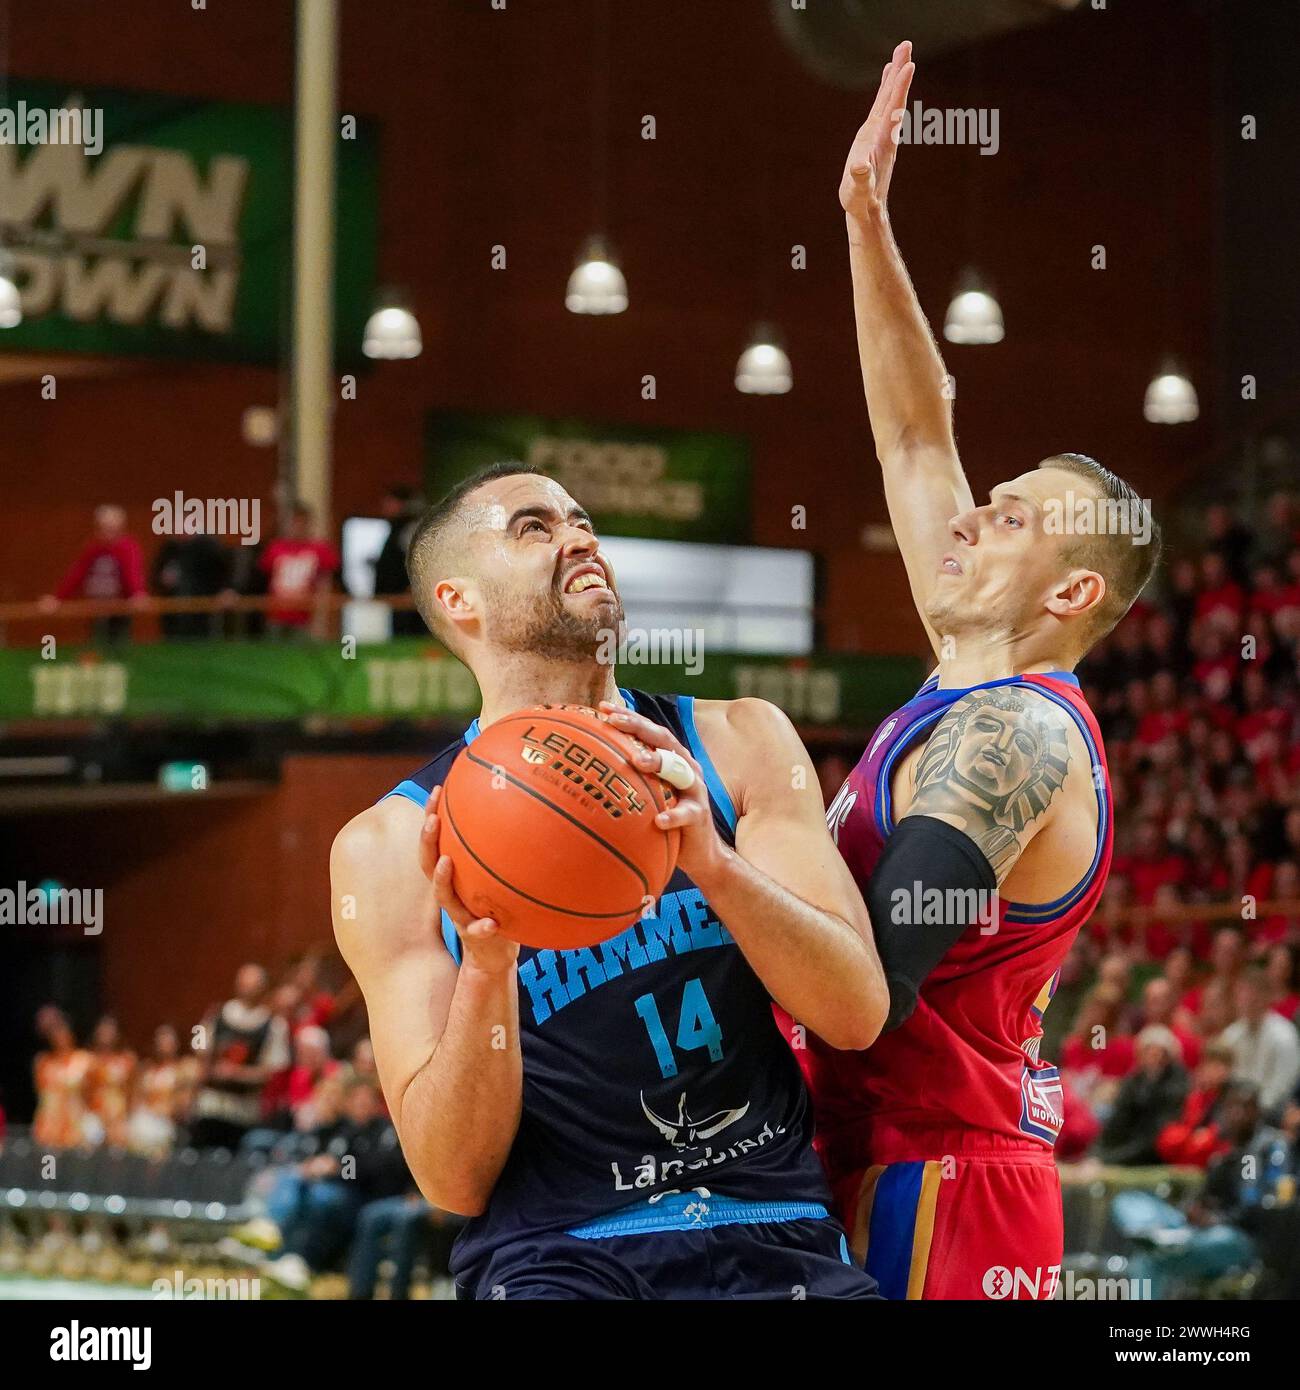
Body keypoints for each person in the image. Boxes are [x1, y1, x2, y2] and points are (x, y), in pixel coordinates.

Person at [331, 463, 890, 1300]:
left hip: (772, 1231)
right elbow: (453, 1180)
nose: (579, 538)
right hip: (560, 1256)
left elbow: (855, 1013)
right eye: (534, 527)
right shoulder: (388, 846)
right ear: (458, 600)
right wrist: (487, 967)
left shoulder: (739, 742)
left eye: (581, 520)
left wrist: (712, 863)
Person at [789, 41, 1159, 1299]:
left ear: (1069, 594)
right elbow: (912, 429)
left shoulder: (1018, 736)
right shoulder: (961, 671)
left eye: (1008, 516)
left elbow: (870, 988)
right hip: (879, 1152)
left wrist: (706, 867)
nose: (966, 516)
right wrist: (864, 217)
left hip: (941, 1179)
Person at [190, 964, 292, 1150]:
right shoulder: (216, 1014)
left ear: (263, 987)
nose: (249, 988)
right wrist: (208, 1067)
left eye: (254, 984)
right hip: (210, 1104)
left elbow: (273, 1071)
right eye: (245, 983)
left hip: (244, 1111)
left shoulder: (274, 1025)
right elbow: (199, 1046)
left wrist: (237, 1073)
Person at [40, 504, 147, 644]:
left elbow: (132, 571)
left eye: (112, 529)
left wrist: (137, 593)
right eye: (103, 528)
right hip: (96, 604)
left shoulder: (128, 547)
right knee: (96, 641)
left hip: (119, 605)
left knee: (116, 641)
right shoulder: (93, 548)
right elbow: (77, 573)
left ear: (121, 528)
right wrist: (57, 598)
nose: (107, 534)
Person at [1097, 1026, 1188, 1166]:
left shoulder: (1176, 1085)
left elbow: (1157, 1132)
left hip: (1154, 1148)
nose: (1153, 1057)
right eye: (1149, 1051)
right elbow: (1118, 1119)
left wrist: (1114, 1158)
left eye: (1159, 1053)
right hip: (1130, 1140)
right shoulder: (1134, 1081)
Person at [1221, 967, 1300, 1118]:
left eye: (1251, 997)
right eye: (1241, 996)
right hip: (1235, 1111)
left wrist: (1251, 1111)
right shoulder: (1232, 1034)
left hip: (1271, 1113)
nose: (1245, 1002)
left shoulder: (1284, 1035)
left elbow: (1283, 1087)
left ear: (1266, 997)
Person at [258, 503, 339, 639]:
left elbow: (329, 579)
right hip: (276, 613)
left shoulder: (320, 549)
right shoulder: (275, 548)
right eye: (295, 522)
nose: (298, 527)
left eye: (302, 522)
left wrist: (321, 607)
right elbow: (262, 578)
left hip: (304, 616)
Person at [371, 484, 425, 637]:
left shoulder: (411, 527)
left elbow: (420, 559)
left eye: (390, 502)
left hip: (408, 603)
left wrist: (413, 587)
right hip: (392, 599)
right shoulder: (395, 528)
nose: (385, 507)